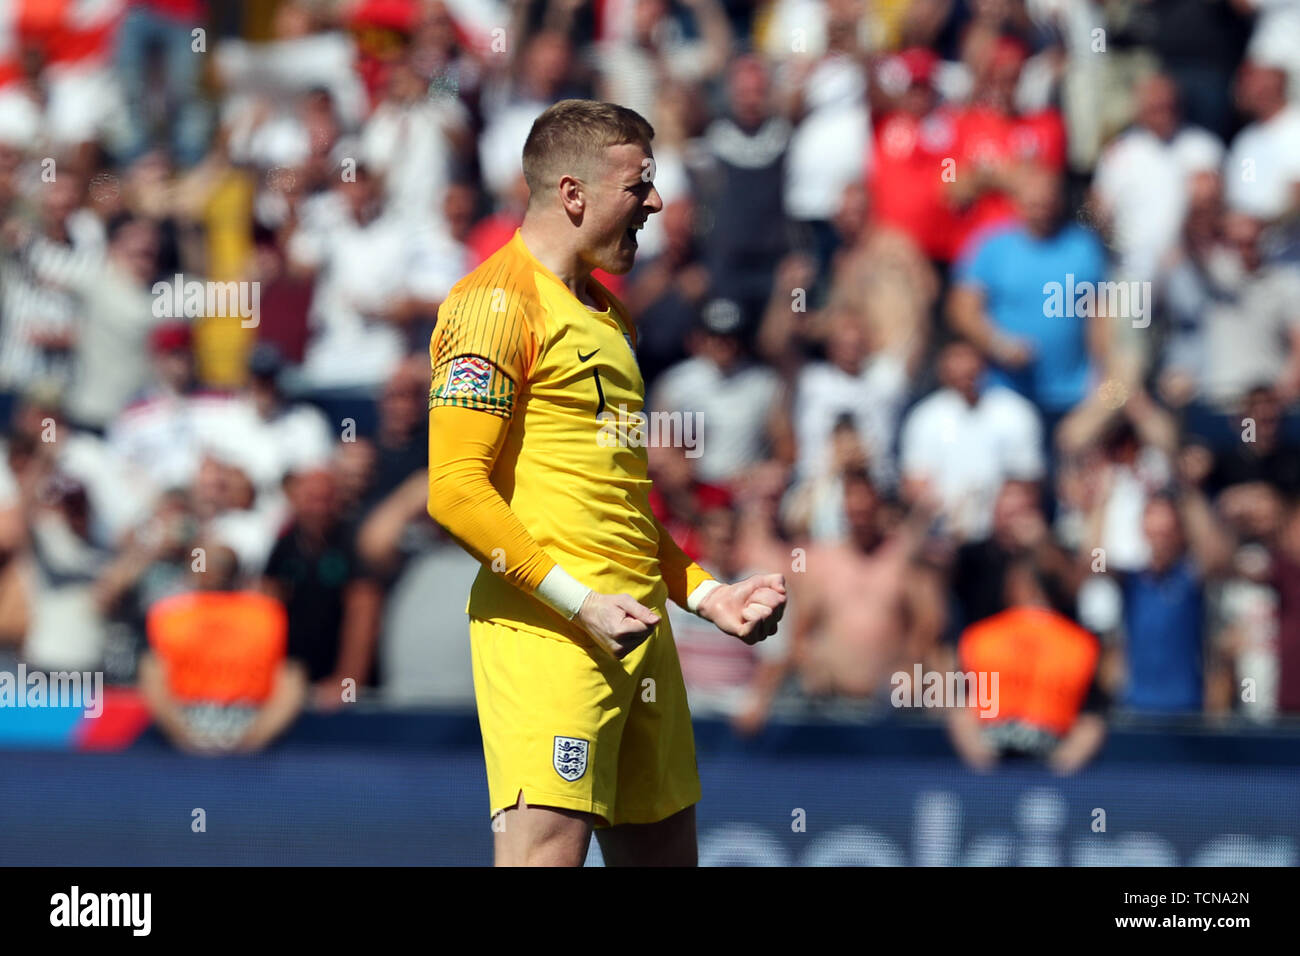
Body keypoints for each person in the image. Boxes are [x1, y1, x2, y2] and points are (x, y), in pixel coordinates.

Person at [425, 100, 787, 867]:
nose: (655, 203)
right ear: (573, 193)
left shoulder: (611, 318)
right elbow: (455, 489)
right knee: (545, 856)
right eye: (640, 184)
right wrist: (577, 601)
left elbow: (617, 506)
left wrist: (706, 593)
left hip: (638, 632)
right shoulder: (493, 305)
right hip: (551, 633)